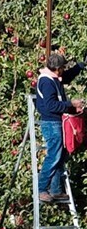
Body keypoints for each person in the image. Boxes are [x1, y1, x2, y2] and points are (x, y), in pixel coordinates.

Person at [35, 51, 84, 204]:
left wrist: (81, 65)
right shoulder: (47, 82)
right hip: (51, 123)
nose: (63, 71)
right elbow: (50, 105)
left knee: (61, 155)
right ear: (58, 68)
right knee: (53, 156)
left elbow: (67, 77)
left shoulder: (53, 77)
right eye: (63, 68)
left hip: (57, 121)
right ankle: (41, 189)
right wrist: (70, 104)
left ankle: (55, 190)